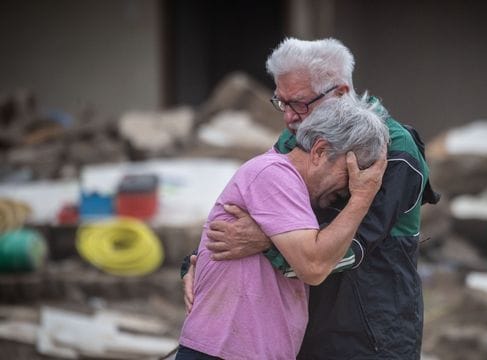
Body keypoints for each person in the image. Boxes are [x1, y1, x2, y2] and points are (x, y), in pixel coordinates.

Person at [181, 38, 440, 359]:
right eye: (281, 102)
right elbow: (252, 204)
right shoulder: (296, 139)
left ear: (342, 94)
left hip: (372, 335)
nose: (289, 117)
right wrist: (200, 259)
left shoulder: (392, 151)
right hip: (306, 328)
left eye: (300, 103)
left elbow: (348, 249)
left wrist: (266, 240)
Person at [176, 96, 389, 360]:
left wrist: (266, 240)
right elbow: (313, 266)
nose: (349, 188)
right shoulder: (274, 175)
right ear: (320, 151)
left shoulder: (289, 185)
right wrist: (362, 197)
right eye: (349, 174)